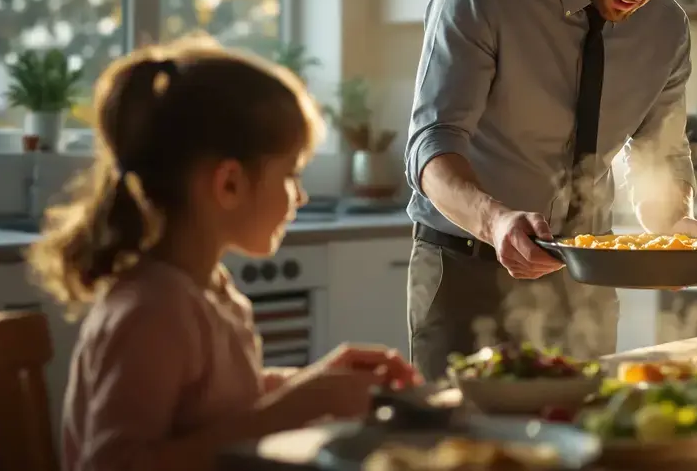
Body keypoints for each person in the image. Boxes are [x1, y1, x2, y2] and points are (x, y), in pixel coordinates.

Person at [26, 34, 420, 471]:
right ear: (228, 183)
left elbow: (216, 409)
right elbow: (113, 463)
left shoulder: (208, 289)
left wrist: (316, 386)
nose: (300, 197)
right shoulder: (153, 311)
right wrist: (291, 408)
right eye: (290, 175)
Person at [404, 0, 697, 379]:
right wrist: (496, 221)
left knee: (586, 441)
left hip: (585, 281)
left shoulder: (667, 29)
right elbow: (432, 145)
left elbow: (661, 155)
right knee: (460, 446)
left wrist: (671, 226)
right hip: (465, 267)